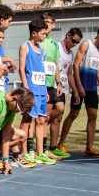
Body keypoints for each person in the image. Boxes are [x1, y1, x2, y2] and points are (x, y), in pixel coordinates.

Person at [58, 23, 99, 157]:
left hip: (91, 88)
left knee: (93, 116)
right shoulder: (86, 44)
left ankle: (89, 148)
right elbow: (76, 65)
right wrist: (79, 87)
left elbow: (97, 69)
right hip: (80, 85)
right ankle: (60, 143)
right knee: (73, 114)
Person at [18, 16, 55, 165]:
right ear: (34, 33)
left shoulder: (41, 50)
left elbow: (42, 72)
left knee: (41, 120)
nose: (44, 36)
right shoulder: (25, 46)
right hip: (31, 90)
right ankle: (24, 152)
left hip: (41, 90)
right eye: (43, 33)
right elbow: (21, 68)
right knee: (27, 120)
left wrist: (45, 90)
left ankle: (40, 153)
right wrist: (26, 88)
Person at [47, 27, 83, 159]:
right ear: (67, 35)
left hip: (63, 88)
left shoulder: (71, 54)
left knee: (58, 117)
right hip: (52, 84)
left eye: (77, 43)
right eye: (73, 41)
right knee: (58, 109)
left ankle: (53, 147)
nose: (74, 44)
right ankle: (41, 127)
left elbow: (69, 74)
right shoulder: (56, 47)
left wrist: (75, 91)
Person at [39, 13, 62, 158]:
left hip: (51, 84)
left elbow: (55, 64)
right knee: (42, 117)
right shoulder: (39, 41)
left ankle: (43, 147)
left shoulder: (54, 44)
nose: (47, 24)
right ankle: (41, 149)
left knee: (57, 110)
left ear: (54, 24)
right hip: (39, 83)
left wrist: (58, 82)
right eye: (44, 22)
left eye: (49, 22)